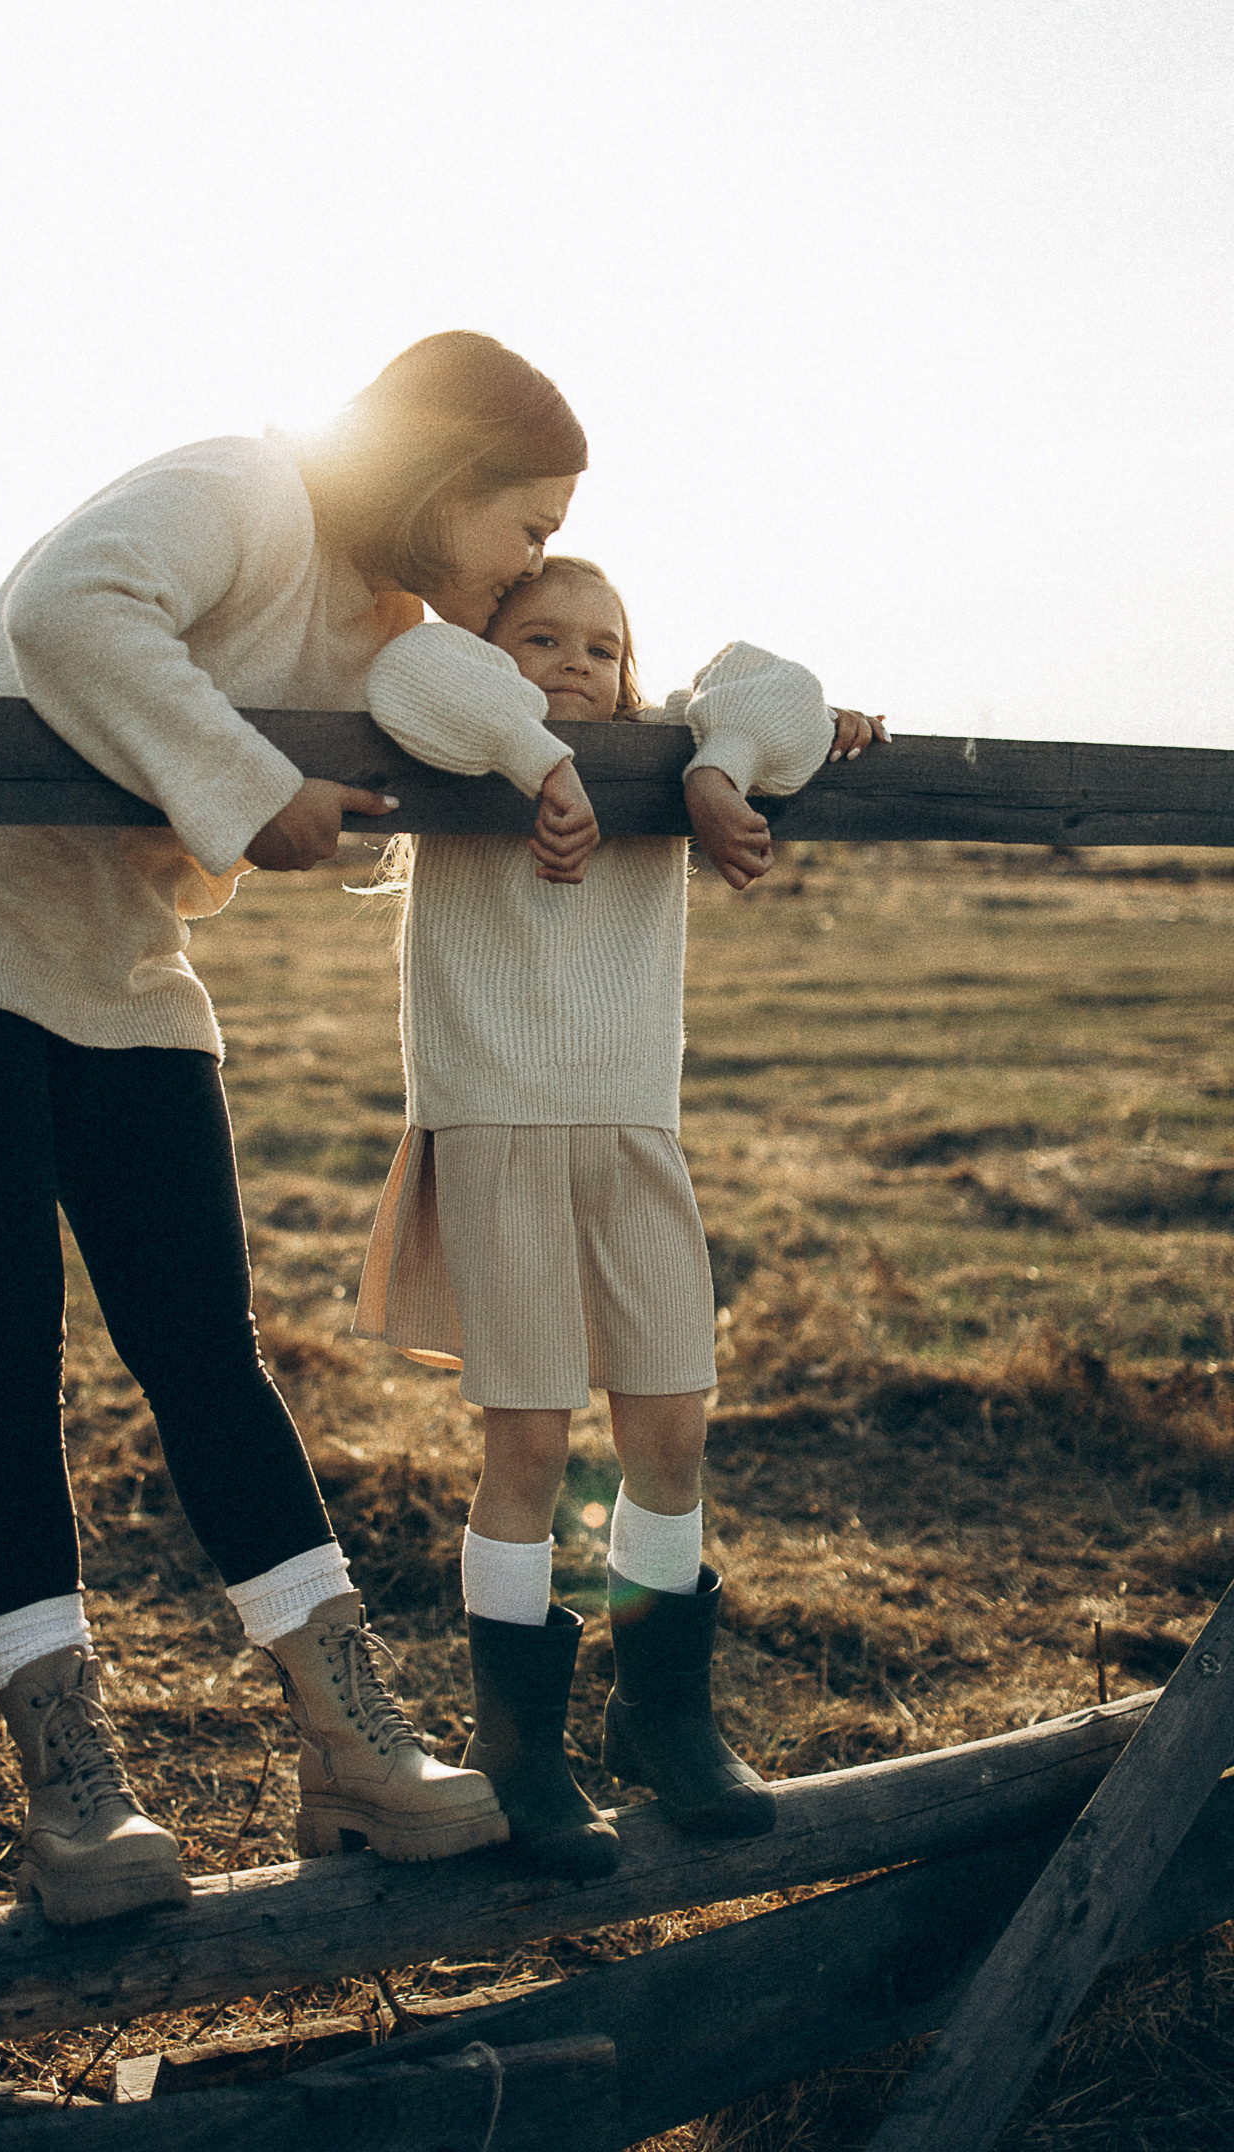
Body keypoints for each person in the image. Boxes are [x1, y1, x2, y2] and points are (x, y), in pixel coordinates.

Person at [0, 333, 592, 1922]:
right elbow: (68, 610)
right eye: (527, 526)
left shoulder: (401, 627)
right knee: (2, 1341)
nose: (528, 562)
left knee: (210, 1347)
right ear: (444, 473)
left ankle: (352, 1748)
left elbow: (538, 694)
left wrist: (753, 733)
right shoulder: (245, 485)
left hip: (118, 963)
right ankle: (75, 1793)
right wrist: (244, 779)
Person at [354, 555, 886, 1876]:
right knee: (528, 1444)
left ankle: (665, 1716)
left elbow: (777, 684)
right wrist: (538, 762)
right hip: (497, 1129)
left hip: (635, 1126)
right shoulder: (466, 741)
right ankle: (518, 1747)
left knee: (671, 1418)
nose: (574, 662)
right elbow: (409, 668)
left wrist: (723, 765)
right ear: (495, 652)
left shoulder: (666, 755)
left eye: (602, 644)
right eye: (538, 637)